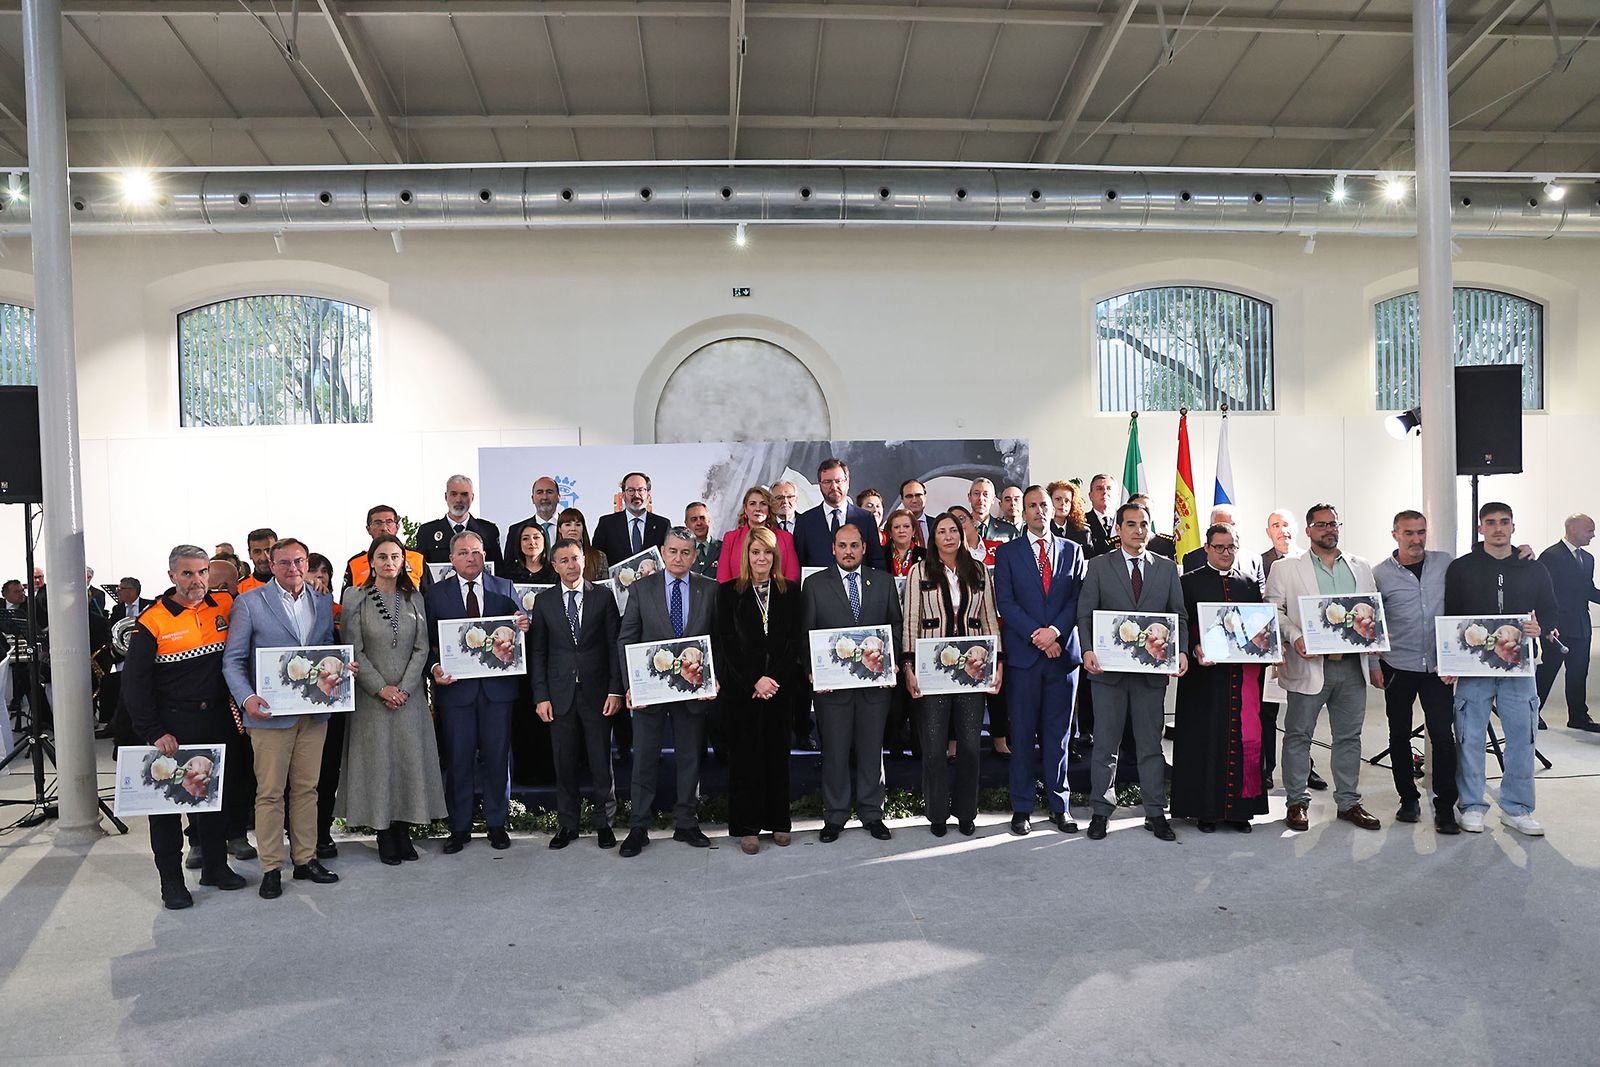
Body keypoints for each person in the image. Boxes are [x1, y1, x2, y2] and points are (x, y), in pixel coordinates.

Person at [122, 545, 249, 909]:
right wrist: (153, 731)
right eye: (188, 574)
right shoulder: (152, 621)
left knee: (213, 802)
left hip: (216, 721)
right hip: (171, 727)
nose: (198, 581)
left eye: (203, 572)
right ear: (172, 577)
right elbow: (135, 686)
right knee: (166, 811)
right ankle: (172, 884)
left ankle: (215, 868)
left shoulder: (222, 607)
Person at [221, 537, 344, 900]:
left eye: (299, 561)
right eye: (285, 563)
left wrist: (343, 668)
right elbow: (233, 660)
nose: (293, 568)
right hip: (270, 715)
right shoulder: (249, 603)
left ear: (308, 563)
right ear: (271, 566)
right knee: (271, 793)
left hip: (313, 712)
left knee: (307, 789)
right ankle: (271, 867)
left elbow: (325, 650)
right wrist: (247, 697)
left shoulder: (320, 600)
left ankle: (305, 860)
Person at [1266, 503, 1383, 833]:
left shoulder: (1360, 567)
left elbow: (1371, 614)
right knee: (1298, 735)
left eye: (1334, 524)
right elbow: (1273, 611)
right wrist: (1295, 635)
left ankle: (1348, 802)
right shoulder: (1287, 568)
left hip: (1351, 667)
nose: (1329, 530)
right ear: (1308, 531)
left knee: (1349, 737)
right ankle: (1297, 802)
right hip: (1309, 664)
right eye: (1321, 525)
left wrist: (1373, 660)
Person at [1444, 502, 1559, 836]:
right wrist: (1450, 661)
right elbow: (1451, 616)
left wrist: (1542, 627)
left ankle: (1517, 808)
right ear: (1480, 528)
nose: (1498, 528)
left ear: (1513, 526)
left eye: (1504, 522)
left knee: (1523, 737)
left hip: (1518, 666)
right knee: (1470, 737)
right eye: (1490, 522)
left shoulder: (1534, 568)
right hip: (1473, 665)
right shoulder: (1461, 568)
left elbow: (1550, 610)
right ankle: (1472, 805)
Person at [1079, 502, 1189, 842]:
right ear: (1118, 528)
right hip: (1107, 675)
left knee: (1150, 746)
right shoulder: (1098, 566)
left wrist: (1181, 650)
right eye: (1131, 524)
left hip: (1150, 676)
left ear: (1150, 528)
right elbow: (1085, 614)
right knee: (1105, 746)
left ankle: (1155, 812)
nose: (1138, 530)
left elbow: (1179, 616)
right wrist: (1087, 650)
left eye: (1143, 524)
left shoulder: (1167, 569)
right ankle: (1101, 810)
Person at [337, 535, 447, 864]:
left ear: (404, 562)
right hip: (373, 698)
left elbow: (421, 647)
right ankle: (383, 833)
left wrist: (406, 688)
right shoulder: (355, 596)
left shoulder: (414, 597)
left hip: (409, 698)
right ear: (371, 561)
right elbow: (353, 649)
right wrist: (381, 688)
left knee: (407, 762)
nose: (389, 562)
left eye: (395, 557)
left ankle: (403, 829)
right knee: (378, 764)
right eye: (382, 556)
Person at [617, 527, 721, 857]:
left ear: (694, 555)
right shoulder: (641, 588)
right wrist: (630, 685)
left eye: (685, 552)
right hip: (650, 690)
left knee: (690, 757)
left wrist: (714, 678)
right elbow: (626, 639)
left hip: (694, 689)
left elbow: (717, 640)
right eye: (673, 551)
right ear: (662, 552)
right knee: (645, 757)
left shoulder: (710, 589)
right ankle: (638, 826)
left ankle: (687, 822)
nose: (678, 558)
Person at [423, 530, 529, 853]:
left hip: (497, 691)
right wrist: (433, 668)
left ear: (485, 556)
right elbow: (425, 643)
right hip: (456, 692)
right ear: (452, 559)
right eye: (464, 552)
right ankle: (460, 827)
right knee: (459, 760)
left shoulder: (505, 587)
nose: (471, 558)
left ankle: (498, 824)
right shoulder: (435, 595)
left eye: (477, 552)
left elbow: (519, 629)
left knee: (498, 758)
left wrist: (525, 624)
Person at [904, 513, 1004, 837]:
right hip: (932, 670)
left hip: (974, 670)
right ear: (932, 538)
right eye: (941, 531)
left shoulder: (978, 571)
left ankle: (965, 811)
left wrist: (997, 661)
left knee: (971, 746)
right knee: (934, 747)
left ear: (962, 534)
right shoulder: (919, 571)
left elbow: (989, 618)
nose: (948, 536)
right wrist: (908, 667)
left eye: (953, 530)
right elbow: (910, 622)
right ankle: (936, 813)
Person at [802, 523, 904, 842]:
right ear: (833, 549)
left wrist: (893, 664)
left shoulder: (884, 582)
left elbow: (896, 628)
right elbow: (805, 632)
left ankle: (873, 813)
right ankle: (835, 816)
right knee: (834, 750)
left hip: (875, 685)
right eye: (842, 545)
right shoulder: (815, 584)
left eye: (854, 545)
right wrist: (812, 671)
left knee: (872, 749)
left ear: (863, 548)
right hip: (832, 687)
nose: (848, 551)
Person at [994, 485, 1084, 836]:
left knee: (1058, 737)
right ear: (1023, 511)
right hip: (1026, 658)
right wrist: (1038, 635)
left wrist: (1056, 633)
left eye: (1043, 505)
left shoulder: (1073, 551)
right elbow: (1006, 602)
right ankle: (1022, 808)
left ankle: (1060, 806)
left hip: (1062, 658)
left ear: (1053, 509)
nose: (1038, 511)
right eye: (1030, 505)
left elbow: (1077, 599)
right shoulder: (1007, 553)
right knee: (1023, 734)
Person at [529, 537, 625, 851]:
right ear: (554, 565)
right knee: (564, 762)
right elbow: (538, 653)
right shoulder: (544, 602)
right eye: (564, 560)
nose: (571, 565)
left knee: (601, 763)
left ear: (585, 560)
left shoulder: (604, 597)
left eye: (576, 558)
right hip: (559, 696)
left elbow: (614, 648)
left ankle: (605, 825)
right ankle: (567, 825)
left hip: (598, 694)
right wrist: (541, 696)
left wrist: (615, 690)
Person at [713, 525, 804, 854]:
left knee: (777, 756)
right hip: (743, 690)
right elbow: (726, 643)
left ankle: (779, 821)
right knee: (746, 758)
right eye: (755, 552)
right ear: (746, 556)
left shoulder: (790, 591)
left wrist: (773, 679)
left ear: (775, 555)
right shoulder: (727, 592)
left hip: (780, 689)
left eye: (767, 552)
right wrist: (755, 679)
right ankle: (747, 826)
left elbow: (794, 642)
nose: (762, 557)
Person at [1173, 524, 1268, 833]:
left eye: (1231, 548)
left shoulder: (1248, 583)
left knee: (1241, 739)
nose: (1226, 553)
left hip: (1240, 676)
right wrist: (1193, 647)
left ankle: (1240, 811)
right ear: (1207, 548)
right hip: (1204, 677)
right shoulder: (1188, 583)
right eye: (1219, 547)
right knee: (1206, 738)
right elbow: (1180, 625)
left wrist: (1268, 647)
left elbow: (1257, 628)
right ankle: (1206, 811)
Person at [1371, 509, 1460, 833]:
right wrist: (1372, 665)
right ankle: (1407, 798)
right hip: (1398, 665)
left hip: (1438, 666)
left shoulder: (1445, 563)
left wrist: (1523, 554)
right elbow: (1371, 622)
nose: (1416, 539)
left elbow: (1473, 580)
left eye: (1421, 532)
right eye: (1408, 533)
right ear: (1395, 534)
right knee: (1399, 735)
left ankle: (1445, 806)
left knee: (1442, 737)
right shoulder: (1380, 573)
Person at [1257, 507, 1327, 792]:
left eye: (1286, 524)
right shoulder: (1257, 562)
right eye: (1275, 525)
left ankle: (1305, 769)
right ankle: (1266, 769)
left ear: (1297, 529)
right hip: (1273, 654)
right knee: (1268, 714)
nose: (1282, 529)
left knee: (1303, 716)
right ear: (1268, 531)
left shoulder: (1310, 560)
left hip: (1308, 654)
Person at [1536, 513, 1600, 732]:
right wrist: (1546, 625)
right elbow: (1543, 593)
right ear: (1573, 529)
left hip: (1581, 625)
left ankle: (1578, 716)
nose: (1593, 535)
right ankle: (1531, 712)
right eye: (1589, 530)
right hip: (1557, 626)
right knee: (1549, 669)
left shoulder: (1588, 558)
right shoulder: (1550, 556)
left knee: (1578, 671)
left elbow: (1588, 590)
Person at [795, 459, 887, 570]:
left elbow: (876, 561)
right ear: (819, 485)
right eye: (827, 482)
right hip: (820, 586)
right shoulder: (805, 521)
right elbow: (800, 563)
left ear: (847, 482)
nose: (834, 487)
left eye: (838, 481)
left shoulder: (865, 519)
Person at [413, 475, 504, 567]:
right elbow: (419, 570)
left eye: (464, 494)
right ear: (446, 497)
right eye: (453, 494)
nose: (458, 500)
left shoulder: (488, 531)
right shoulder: (427, 532)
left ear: (472, 497)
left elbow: (499, 570)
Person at [717, 485, 801, 584]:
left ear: (769, 509)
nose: (758, 508)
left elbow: (793, 577)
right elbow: (723, 578)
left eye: (763, 504)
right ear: (745, 509)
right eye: (752, 504)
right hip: (738, 597)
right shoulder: (730, 538)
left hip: (777, 597)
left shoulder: (786, 538)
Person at [343, 505, 427, 593]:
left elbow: (429, 597)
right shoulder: (355, 563)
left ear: (397, 527)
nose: (384, 528)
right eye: (378, 523)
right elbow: (345, 603)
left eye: (389, 522)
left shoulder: (417, 559)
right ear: (368, 529)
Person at [592, 472, 670, 566]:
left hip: (654, 580)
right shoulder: (606, 524)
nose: (636, 495)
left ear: (649, 494)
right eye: (631, 490)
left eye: (641, 490)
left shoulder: (663, 525)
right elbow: (596, 560)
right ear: (623, 494)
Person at [1181, 505, 1265, 587]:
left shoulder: (1254, 560)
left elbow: (1260, 596)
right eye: (1222, 526)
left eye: (1232, 525)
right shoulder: (1193, 559)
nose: (1228, 530)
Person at [503, 475, 564, 563]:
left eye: (549, 492)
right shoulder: (516, 530)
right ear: (532, 498)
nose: (544, 497)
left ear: (558, 497)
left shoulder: (571, 527)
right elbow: (508, 567)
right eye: (539, 492)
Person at [557, 508, 609, 581]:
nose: (573, 529)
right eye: (568, 525)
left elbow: (605, 587)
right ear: (559, 529)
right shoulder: (552, 557)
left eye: (578, 525)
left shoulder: (599, 556)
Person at [1127, 494, 1178, 560]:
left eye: (1146, 509)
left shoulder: (1170, 545)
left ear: (1153, 514)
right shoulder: (1114, 545)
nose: (1141, 513)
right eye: (1136, 508)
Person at [969, 478, 1018, 545]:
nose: (981, 498)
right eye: (976, 493)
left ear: (993, 499)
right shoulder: (959, 527)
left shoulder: (1008, 530)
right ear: (969, 497)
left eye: (985, 494)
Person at [1047, 479, 1091, 549]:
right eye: (1058, 499)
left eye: (1067, 501)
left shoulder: (1083, 531)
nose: (1063, 504)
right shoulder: (1041, 528)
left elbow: (1089, 557)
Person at [883, 509, 925, 577]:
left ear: (913, 530)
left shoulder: (925, 555)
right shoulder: (880, 554)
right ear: (890, 532)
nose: (901, 530)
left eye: (906, 526)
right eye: (896, 527)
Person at [685, 501, 722, 576]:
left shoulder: (724, 548)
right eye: (694, 519)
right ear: (686, 524)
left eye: (702, 518)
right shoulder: (682, 552)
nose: (699, 523)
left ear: (709, 520)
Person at [1085, 474, 1117, 556]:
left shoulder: (1125, 520)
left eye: (1109, 488)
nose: (1105, 492)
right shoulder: (1081, 521)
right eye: (1099, 489)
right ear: (1090, 496)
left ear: (1117, 495)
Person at [238, 528, 276, 593]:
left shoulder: (291, 582)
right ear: (250, 554)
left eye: (268, 550)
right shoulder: (240, 588)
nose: (263, 558)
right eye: (257, 552)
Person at [899, 479, 931, 546]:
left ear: (925, 497)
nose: (914, 500)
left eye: (918, 495)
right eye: (909, 496)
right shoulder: (895, 527)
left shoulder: (936, 524)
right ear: (902, 500)